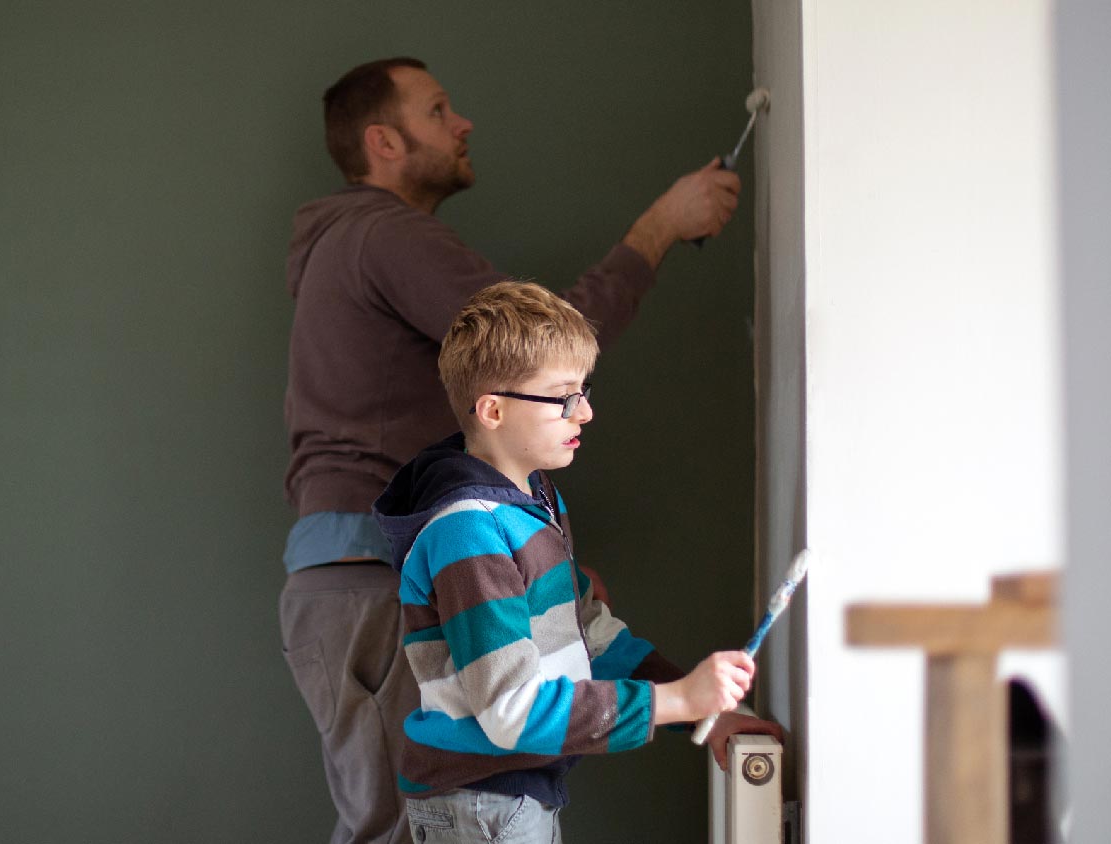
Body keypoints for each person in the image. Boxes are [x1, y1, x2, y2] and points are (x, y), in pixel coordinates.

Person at [280, 56, 743, 844]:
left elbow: (595, 633)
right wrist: (660, 227)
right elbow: (532, 342)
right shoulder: (386, 233)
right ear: (382, 142)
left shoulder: (336, 247)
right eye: (438, 110)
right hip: (387, 580)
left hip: (326, 581)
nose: (462, 123)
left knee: (382, 828)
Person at [372, 282, 780, 843]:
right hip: (483, 807)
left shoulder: (533, 502)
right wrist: (676, 700)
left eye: (584, 391)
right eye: (563, 397)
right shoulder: (470, 533)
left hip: (509, 794)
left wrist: (700, 710)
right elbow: (511, 709)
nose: (584, 412)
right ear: (492, 409)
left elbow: (589, 634)